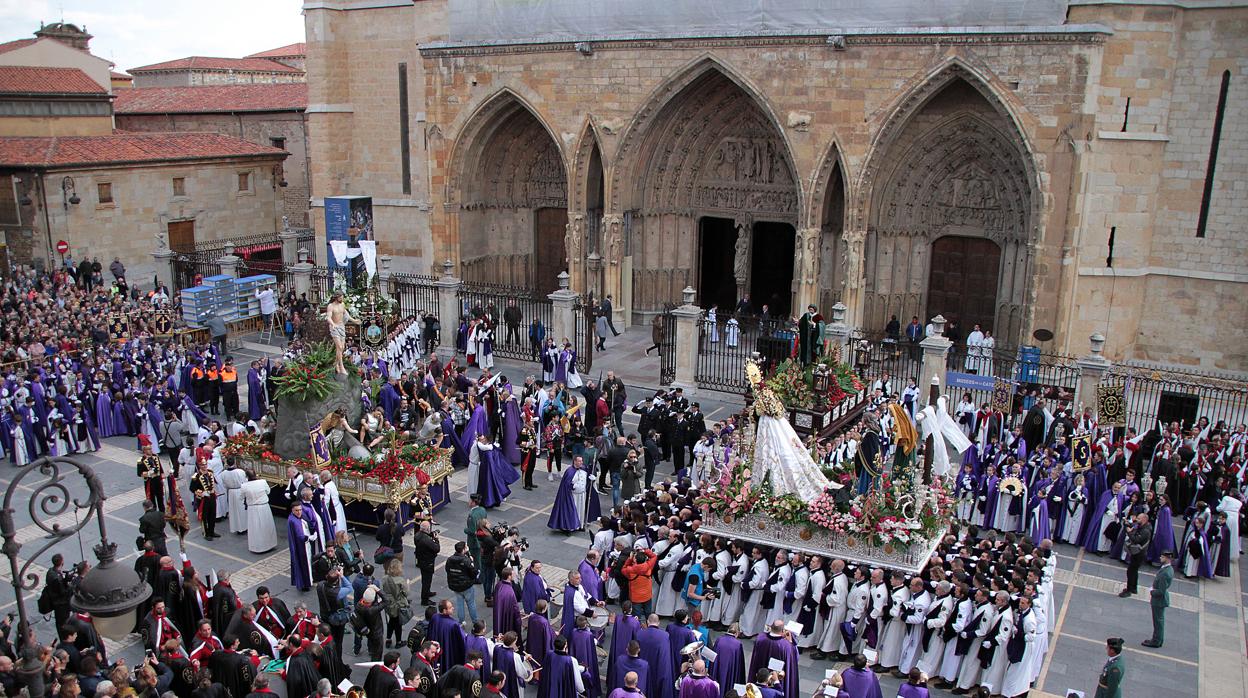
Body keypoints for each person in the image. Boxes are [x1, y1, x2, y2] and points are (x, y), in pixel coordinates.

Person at [240, 471, 277, 553]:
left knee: (255, 528)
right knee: (266, 526)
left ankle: (257, 547)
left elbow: (241, 497)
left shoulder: (244, 486)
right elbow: (268, 491)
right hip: (264, 506)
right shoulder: (262, 482)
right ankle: (269, 544)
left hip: (253, 509)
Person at [1143, 552, 1173, 648]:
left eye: (1162, 557)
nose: (1160, 558)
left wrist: (1152, 591)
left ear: (1167, 558)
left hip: (1159, 600)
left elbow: (1161, 591)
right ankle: (1157, 639)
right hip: (1159, 600)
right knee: (1158, 620)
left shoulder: (1165, 573)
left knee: (1158, 621)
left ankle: (1156, 640)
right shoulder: (1168, 569)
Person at [447, 541, 481, 624]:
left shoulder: (450, 559)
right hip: (466, 586)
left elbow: (447, 570)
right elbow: (473, 572)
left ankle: (461, 621)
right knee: (471, 603)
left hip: (455, 585)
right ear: (463, 550)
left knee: (460, 604)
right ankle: (475, 621)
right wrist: (471, 561)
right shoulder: (466, 560)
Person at [1119, 512, 1152, 597]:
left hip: (1139, 554)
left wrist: (1130, 532)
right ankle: (1134, 588)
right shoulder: (1142, 527)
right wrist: (1127, 524)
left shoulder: (1145, 531)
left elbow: (1136, 540)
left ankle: (1129, 590)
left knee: (1131, 571)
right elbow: (1132, 526)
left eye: (1139, 519)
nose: (1137, 520)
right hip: (1137, 553)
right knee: (1134, 570)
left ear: (1144, 520)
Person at [324, 292, 357, 375]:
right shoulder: (330, 306)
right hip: (334, 327)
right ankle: (341, 366)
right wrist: (333, 324)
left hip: (341, 326)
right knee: (340, 346)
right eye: (341, 297)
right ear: (336, 297)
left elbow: (346, 314)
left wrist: (354, 320)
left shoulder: (342, 304)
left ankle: (336, 364)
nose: (342, 299)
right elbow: (328, 317)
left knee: (341, 348)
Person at [412, 521, 442, 606]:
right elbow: (437, 548)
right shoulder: (426, 540)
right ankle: (424, 600)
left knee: (425, 579)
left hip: (421, 560)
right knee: (427, 581)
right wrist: (436, 539)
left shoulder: (417, 535)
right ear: (428, 529)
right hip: (428, 561)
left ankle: (427, 592)